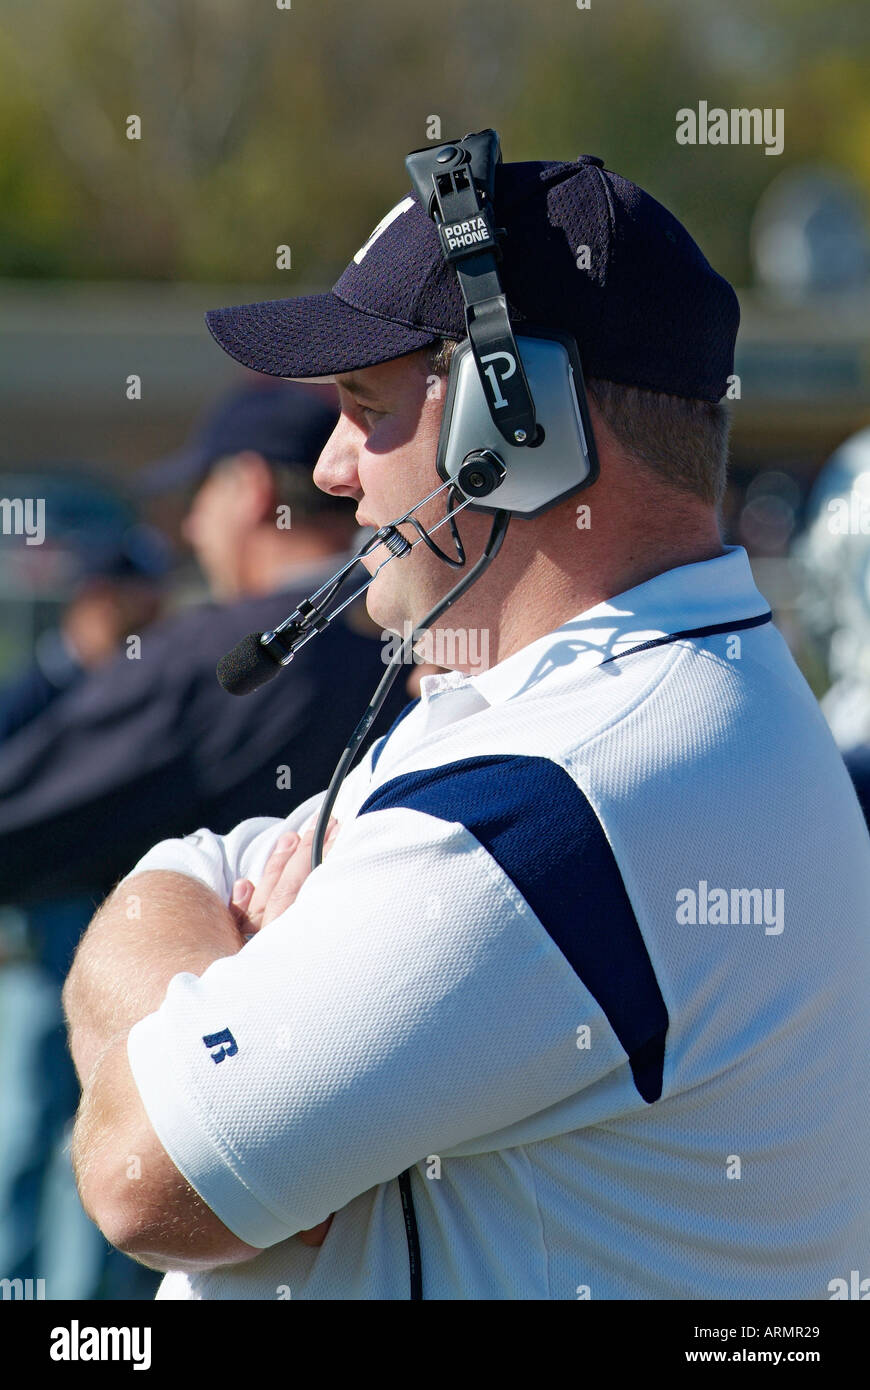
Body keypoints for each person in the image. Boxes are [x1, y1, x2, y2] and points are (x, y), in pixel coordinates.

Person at [64, 146, 870, 1299]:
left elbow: (139, 1177)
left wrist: (193, 1011)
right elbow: (190, 873)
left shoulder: (551, 795)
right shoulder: (643, 706)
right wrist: (206, 987)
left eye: (364, 407)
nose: (334, 468)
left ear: (516, 426)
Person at [0, 379, 409, 1299]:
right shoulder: (423, 638)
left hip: (179, 1099)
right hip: (355, 1129)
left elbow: (14, 813)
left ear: (254, 489)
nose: (190, 532)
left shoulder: (215, 655)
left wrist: (71, 662)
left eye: (201, 499)